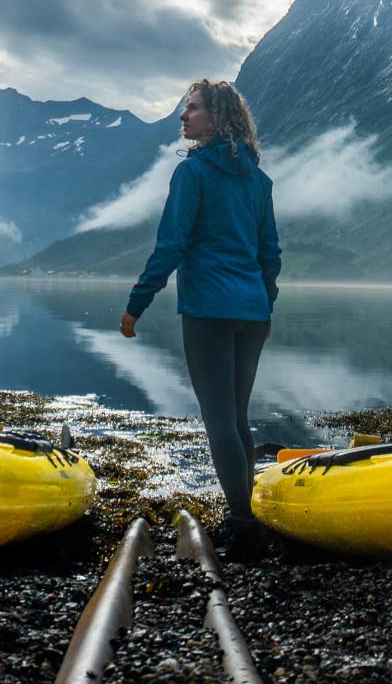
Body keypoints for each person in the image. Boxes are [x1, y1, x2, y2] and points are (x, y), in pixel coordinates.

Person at [120, 78, 281, 548]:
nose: (183, 116)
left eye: (192, 109)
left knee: (218, 419)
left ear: (217, 117)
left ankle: (242, 524)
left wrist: (137, 303)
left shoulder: (192, 174)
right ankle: (247, 510)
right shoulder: (258, 178)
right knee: (236, 414)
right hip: (250, 311)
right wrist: (263, 304)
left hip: (209, 309)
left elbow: (171, 244)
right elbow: (269, 253)